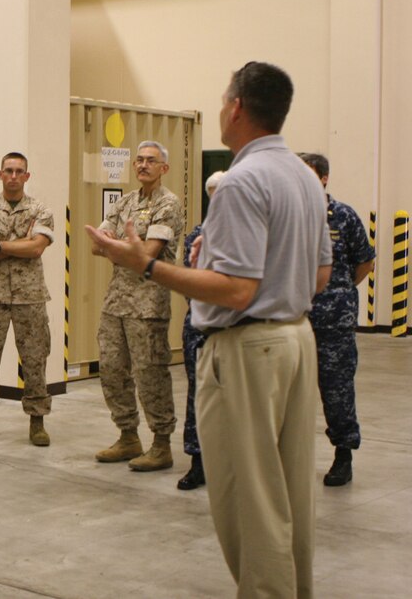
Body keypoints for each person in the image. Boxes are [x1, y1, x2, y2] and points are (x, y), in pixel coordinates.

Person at [87, 61, 331, 598]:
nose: (221, 107)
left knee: (250, 501)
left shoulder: (244, 180)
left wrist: (145, 265)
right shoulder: (304, 178)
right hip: (294, 338)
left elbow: (237, 289)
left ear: (237, 107)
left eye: (224, 99)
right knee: (289, 495)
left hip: (248, 350)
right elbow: (319, 274)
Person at [91, 140, 183, 471]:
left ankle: (161, 443)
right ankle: (128, 435)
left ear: (164, 168)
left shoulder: (168, 205)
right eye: (140, 160)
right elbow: (96, 245)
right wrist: (123, 246)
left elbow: (148, 253)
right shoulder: (125, 202)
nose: (143, 165)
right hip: (116, 300)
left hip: (148, 303)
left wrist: (118, 246)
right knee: (112, 369)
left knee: (149, 373)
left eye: (151, 161)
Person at [0, 152, 54, 446]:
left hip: (31, 296)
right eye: (9, 171)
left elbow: (38, 249)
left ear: (27, 176)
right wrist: (22, 243)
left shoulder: (41, 210)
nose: (14, 176)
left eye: (19, 171)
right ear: (0, 174)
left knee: (35, 359)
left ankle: (37, 421)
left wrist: (1, 245)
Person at [300, 153, 374, 487]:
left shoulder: (343, 216)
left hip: (334, 320)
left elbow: (364, 262)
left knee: (337, 389)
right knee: (289, 391)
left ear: (325, 178)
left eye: (309, 174)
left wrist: (337, 291)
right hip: (293, 317)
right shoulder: (287, 214)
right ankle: (289, 457)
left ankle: (343, 454)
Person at [177, 170, 224, 491]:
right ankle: (198, 461)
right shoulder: (197, 234)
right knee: (198, 393)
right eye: (214, 193)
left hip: (235, 329)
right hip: (199, 325)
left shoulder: (251, 232)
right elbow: (188, 281)